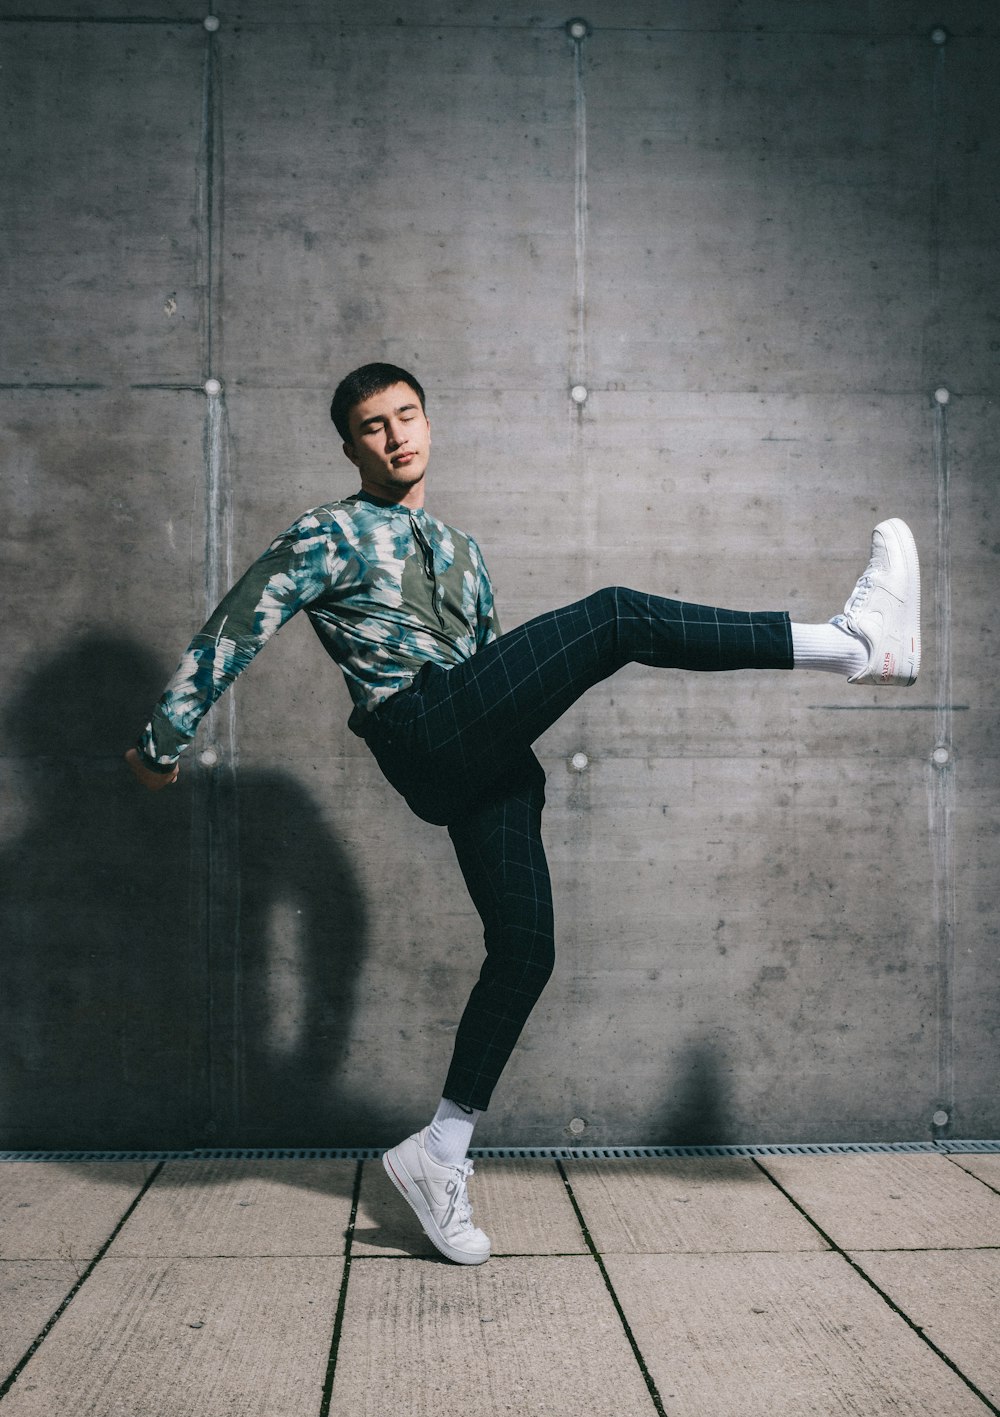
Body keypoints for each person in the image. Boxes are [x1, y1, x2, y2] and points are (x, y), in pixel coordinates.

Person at [127, 361, 921, 1267]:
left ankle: (439, 1153)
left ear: (430, 421)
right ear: (350, 446)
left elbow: (498, 676)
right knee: (616, 617)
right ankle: (849, 644)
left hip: (478, 750)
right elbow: (238, 624)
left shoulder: (464, 552)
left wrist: (518, 759)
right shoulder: (326, 535)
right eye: (375, 427)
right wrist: (162, 741)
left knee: (527, 949)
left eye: (409, 416)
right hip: (419, 727)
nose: (397, 436)